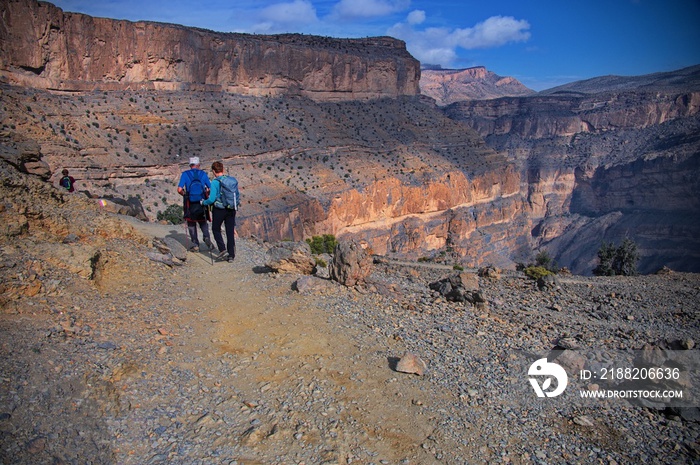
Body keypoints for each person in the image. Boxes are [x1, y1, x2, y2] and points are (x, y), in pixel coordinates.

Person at [202, 161, 240, 263]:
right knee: (229, 232)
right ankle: (231, 256)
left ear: (214, 171)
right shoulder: (230, 180)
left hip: (219, 209)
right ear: (223, 169)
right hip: (231, 209)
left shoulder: (215, 182)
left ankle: (223, 250)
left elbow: (211, 199)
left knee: (215, 229)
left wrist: (203, 202)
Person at [177, 157, 213, 252]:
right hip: (202, 202)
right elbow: (210, 188)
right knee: (203, 221)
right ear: (198, 165)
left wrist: (185, 195)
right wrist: (206, 194)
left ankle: (195, 244)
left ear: (190, 165)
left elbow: (179, 190)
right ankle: (206, 237)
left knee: (191, 222)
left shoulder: (185, 174)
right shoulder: (203, 174)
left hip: (190, 202)